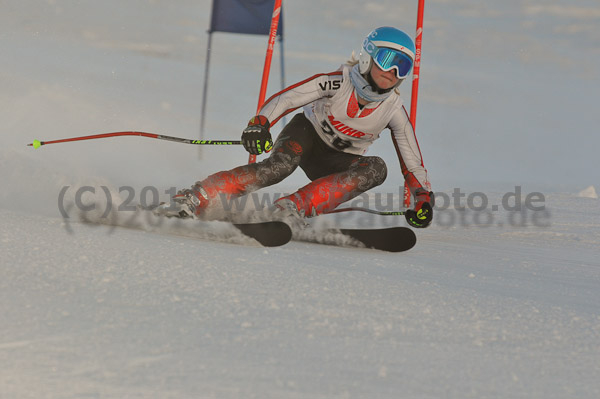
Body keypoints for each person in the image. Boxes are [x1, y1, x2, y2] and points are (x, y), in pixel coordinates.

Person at [167, 26, 433, 228]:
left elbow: (412, 162)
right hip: (304, 136)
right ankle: (196, 197)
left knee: (377, 168)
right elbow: (289, 98)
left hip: (337, 162)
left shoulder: (393, 110)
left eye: (402, 66)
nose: (392, 73)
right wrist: (260, 124)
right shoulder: (337, 82)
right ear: (368, 56)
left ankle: (290, 209)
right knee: (278, 168)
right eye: (387, 60)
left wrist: (422, 196)